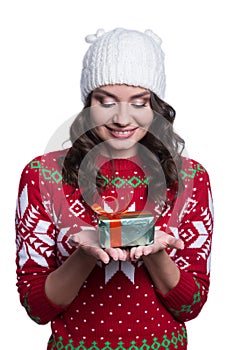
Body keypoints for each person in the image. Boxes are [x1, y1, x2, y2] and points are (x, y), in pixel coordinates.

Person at [15, 28, 213, 350]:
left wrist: (155, 250)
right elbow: (37, 308)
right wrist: (85, 253)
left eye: (139, 103)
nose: (122, 118)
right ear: (87, 103)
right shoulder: (43, 175)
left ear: (156, 107)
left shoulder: (191, 178)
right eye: (106, 101)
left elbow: (191, 306)